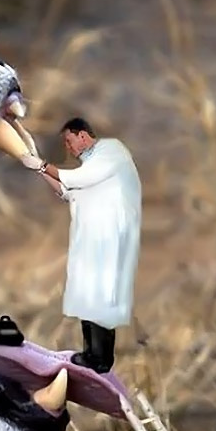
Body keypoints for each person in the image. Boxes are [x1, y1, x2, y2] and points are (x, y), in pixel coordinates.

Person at [13, 117, 141, 373]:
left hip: (109, 239)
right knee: (88, 296)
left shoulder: (111, 152)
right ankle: (91, 354)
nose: (69, 149)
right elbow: (66, 191)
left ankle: (101, 358)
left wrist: (41, 164)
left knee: (102, 298)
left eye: (69, 142)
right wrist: (39, 170)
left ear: (82, 135)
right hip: (91, 240)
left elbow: (77, 178)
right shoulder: (92, 167)